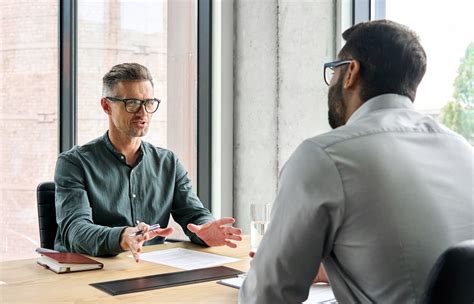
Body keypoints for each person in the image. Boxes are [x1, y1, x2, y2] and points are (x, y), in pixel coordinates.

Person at [239, 20, 473, 303]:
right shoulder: (462, 149)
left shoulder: (325, 156)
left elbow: (266, 295)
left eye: (333, 71)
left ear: (351, 72)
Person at [54, 63, 242, 262]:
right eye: (132, 103)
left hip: (149, 270)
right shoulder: (74, 163)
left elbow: (194, 215)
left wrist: (204, 228)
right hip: (89, 276)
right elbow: (75, 231)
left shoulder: (167, 162)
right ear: (106, 106)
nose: (143, 112)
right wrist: (122, 237)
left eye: (149, 102)